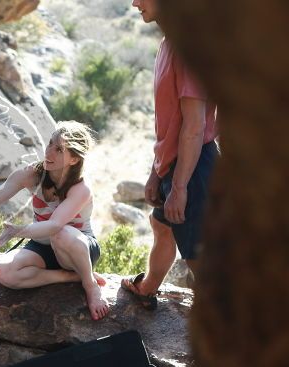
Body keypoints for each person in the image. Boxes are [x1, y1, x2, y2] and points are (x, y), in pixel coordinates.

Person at [0, 121, 109, 321]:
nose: (49, 152)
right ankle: (71, 277)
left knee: (60, 232)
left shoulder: (80, 189)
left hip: (77, 250)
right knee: (2, 272)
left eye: (59, 149)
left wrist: (18, 231)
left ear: (73, 159)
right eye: (50, 143)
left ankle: (90, 284)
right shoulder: (31, 174)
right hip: (44, 246)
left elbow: (55, 225)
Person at [123, 0, 219, 309]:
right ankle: (148, 287)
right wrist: (156, 172)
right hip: (176, 164)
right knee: (162, 226)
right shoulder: (168, 43)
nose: (135, 2)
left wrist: (178, 188)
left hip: (193, 167)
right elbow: (171, 122)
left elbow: (194, 126)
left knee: (198, 258)